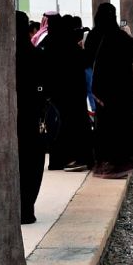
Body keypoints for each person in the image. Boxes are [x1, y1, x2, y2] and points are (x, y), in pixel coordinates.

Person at [85, 3, 133, 178]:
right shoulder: (121, 37)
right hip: (122, 92)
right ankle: (121, 163)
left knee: (104, 127)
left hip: (102, 92)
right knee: (123, 125)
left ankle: (105, 164)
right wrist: (129, 35)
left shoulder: (93, 36)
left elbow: (87, 59)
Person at [40, 14, 93, 172]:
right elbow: (84, 60)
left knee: (58, 129)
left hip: (56, 95)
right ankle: (78, 157)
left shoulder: (48, 43)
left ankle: (59, 161)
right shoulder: (68, 44)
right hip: (73, 94)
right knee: (75, 126)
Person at [16, 11, 46, 223]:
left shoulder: (2, 56)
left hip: (9, 121)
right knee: (31, 164)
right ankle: (26, 207)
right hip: (32, 118)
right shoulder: (35, 54)